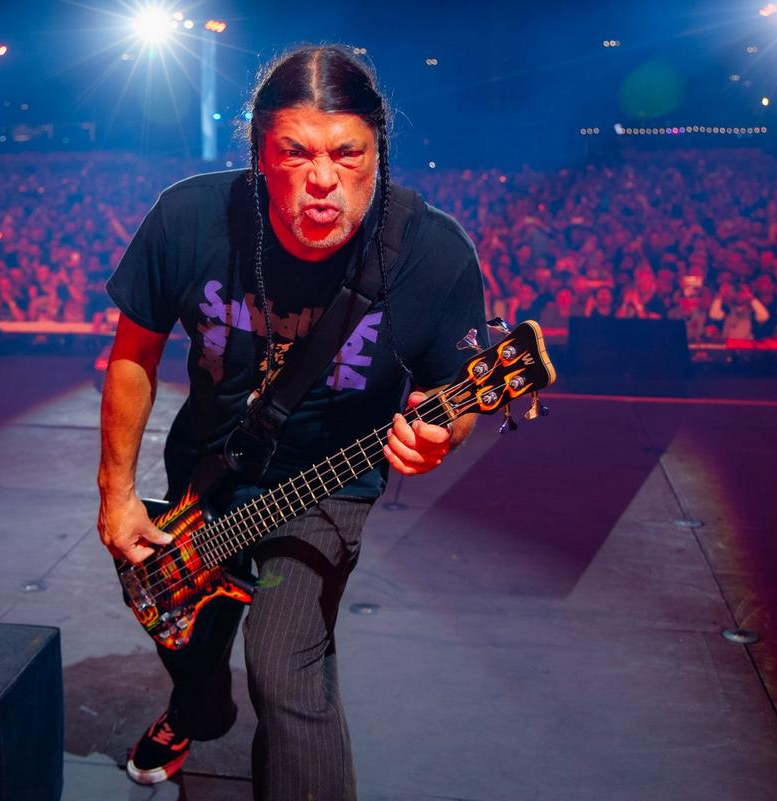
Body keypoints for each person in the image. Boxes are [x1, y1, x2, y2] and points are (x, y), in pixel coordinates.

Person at [97, 45, 488, 801]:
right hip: (205, 471)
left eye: (348, 154)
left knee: (285, 671)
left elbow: (459, 392)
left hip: (324, 486)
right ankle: (196, 708)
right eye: (296, 152)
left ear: (379, 152)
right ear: (259, 155)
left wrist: (442, 434)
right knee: (168, 610)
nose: (323, 179)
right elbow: (134, 350)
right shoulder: (189, 217)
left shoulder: (430, 255)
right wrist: (115, 492)